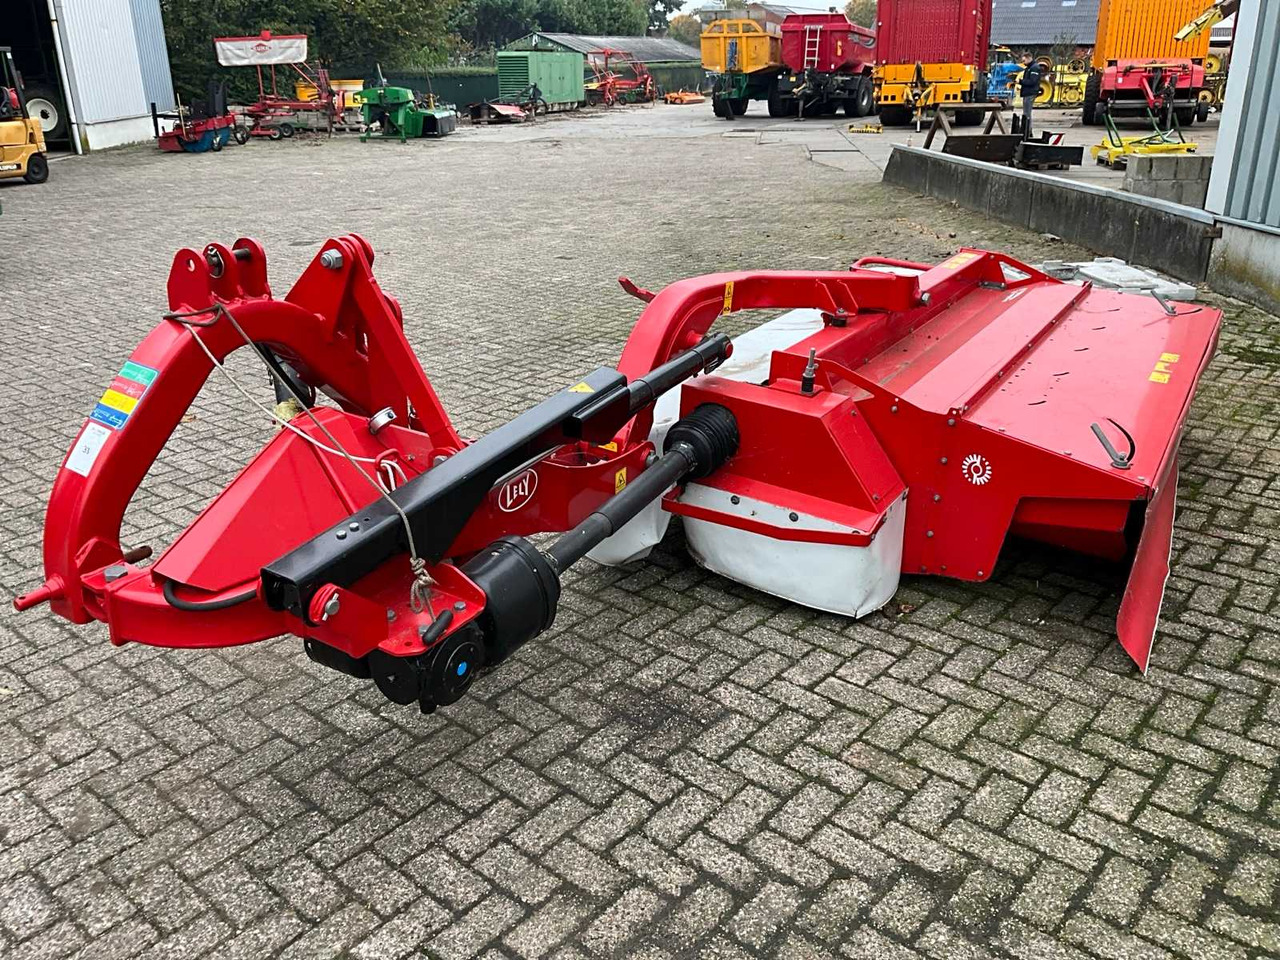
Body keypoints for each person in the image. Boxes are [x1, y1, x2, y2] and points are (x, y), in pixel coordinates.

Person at [1018, 53, 1042, 138]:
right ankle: (1027, 131)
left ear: (1029, 58)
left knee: (1027, 114)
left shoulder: (1034, 68)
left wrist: (1020, 81)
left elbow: (1032, 81)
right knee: (1026, 113)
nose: (1023, 62)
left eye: (1024, 60)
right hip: (1027, 92)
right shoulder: (1029, 68)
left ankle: (1027, 132)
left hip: (1030, 93)